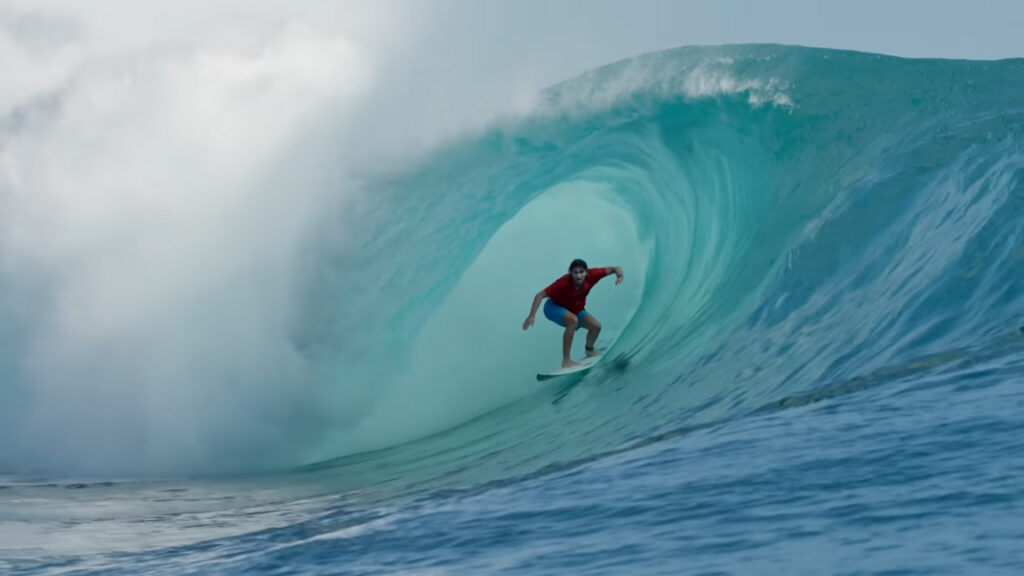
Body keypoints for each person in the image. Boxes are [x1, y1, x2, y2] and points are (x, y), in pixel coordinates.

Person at [523, 259, 624, 368]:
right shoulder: (563, 282)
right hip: (553, 307)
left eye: (581, 272)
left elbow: (615, 268)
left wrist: (619, 276)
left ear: (586, 272)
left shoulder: (593, 274)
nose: (578, 275)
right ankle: (566, 361)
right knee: (573, 321)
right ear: (571, 273)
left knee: (596, 327)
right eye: (575, 272)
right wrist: (531, 316)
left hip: (575, 309)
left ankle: (589, 350)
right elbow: (539, 295)